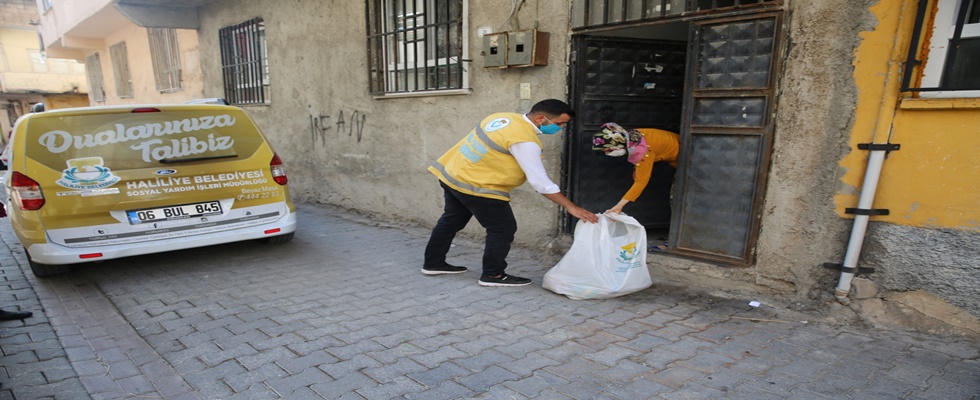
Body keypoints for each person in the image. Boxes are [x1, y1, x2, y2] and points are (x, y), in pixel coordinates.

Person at [424, 99, 599, 287]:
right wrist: (571, 207)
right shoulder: (524, 140)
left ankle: (433, 263)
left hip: (453, 175)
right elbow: (540, 183)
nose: (562, 127)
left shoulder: (502, 118)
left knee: (451, 220)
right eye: (559, 124)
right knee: (502, 229)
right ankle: (493, 275)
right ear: (541, 118)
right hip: (479, 185)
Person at [592, 122, 679, 250]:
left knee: (679, 200)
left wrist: (619, 206)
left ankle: (675, 244)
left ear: (617, 143)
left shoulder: (643, 150)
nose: (608, 153)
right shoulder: (634, 136)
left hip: (689, 162)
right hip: (684, 151)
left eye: (609, 149)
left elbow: (641, 182)